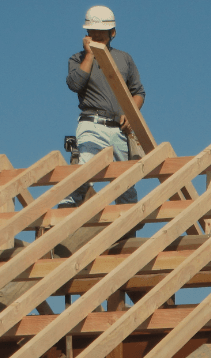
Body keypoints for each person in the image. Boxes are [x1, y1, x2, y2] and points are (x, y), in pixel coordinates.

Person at [61, 6, 145, 208]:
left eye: (102, 33)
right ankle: (65, 215)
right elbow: (75, 85)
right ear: (87, 33)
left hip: (119, 129)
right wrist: (90, 55)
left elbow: (138, 92)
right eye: (93, 32)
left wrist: (131, 114)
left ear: (112, 33)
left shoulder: (124, 59)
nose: (97, 35)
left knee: (125, 184)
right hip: (92, 123)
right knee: (82, 173)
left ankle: (126, 229)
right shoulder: (78, 59)